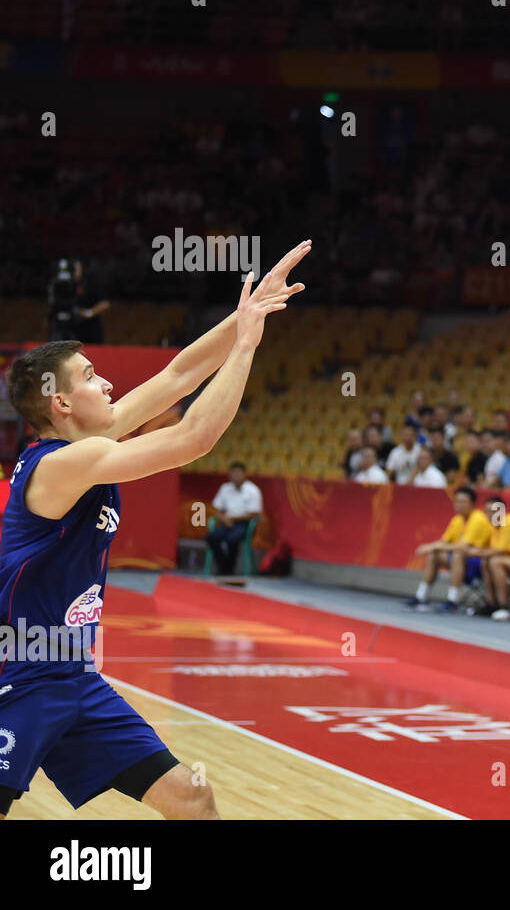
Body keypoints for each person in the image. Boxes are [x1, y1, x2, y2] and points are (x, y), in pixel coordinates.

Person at [0, 239, 311, 820]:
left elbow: (179, 373)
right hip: (19, 675)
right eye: (92, 377)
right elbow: (193, 438)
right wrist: (245, 347)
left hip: (73, 675)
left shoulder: (90, 440)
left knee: (192, 799)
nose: (108, 385)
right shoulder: (61, 464)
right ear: (61, 403)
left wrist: (246, 315)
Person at [404, 485, 492, 612]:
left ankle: (453, 600)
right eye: (456, 501)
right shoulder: (457, 519)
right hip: (461, 560)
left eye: (462, 502)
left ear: (472, 503)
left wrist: (431, 547)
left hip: (478, 562)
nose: (458, 505)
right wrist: (432, 547)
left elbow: (464, 546)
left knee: (457, 554)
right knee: (434, 555)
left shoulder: (478, 519)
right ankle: (421, 596)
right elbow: (443, 541)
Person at [207, 461, 263, 575]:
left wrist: (233, 519)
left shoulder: (252, 490)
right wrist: (225, 519)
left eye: (238, 473)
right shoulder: (225, 488)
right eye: (233, 473)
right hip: (226, 522)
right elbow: (216, 509)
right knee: (212, 537)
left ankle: (228, 569)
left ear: (244, 474)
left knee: (232, 539)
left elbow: (254, 514)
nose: (236, 476)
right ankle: (224, 565)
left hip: (243, 524)